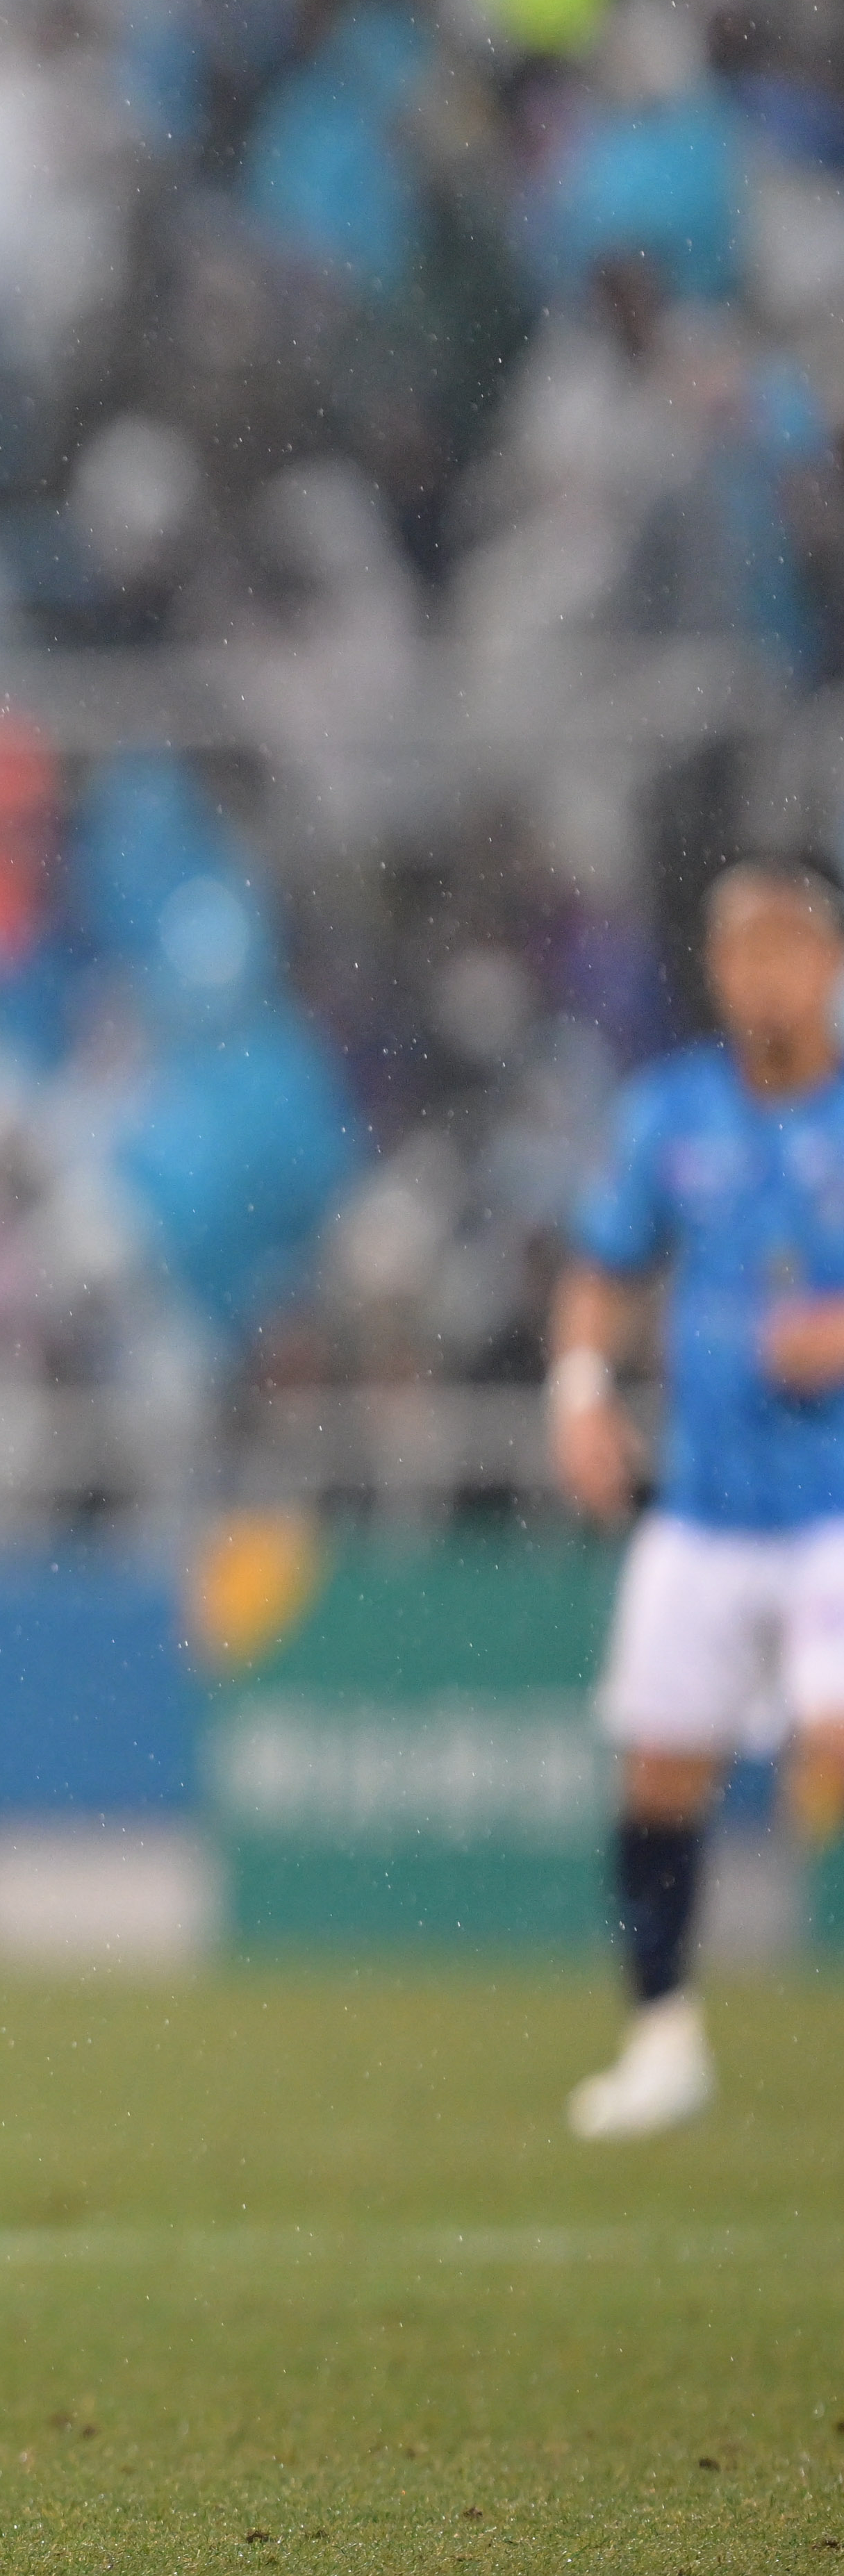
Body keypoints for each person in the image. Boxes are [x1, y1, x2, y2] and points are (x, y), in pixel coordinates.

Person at [548, 857, 844, 2141]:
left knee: (834, 1750)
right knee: (660, 1778)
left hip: (835, 1509)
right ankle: (663, 2042)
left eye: (786, 948)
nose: (762, 976)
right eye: (741, 953)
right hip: (706, 1508)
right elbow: (604, 1266)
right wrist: (580, 1393)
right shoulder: (672, 1114)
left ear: (830, 966)